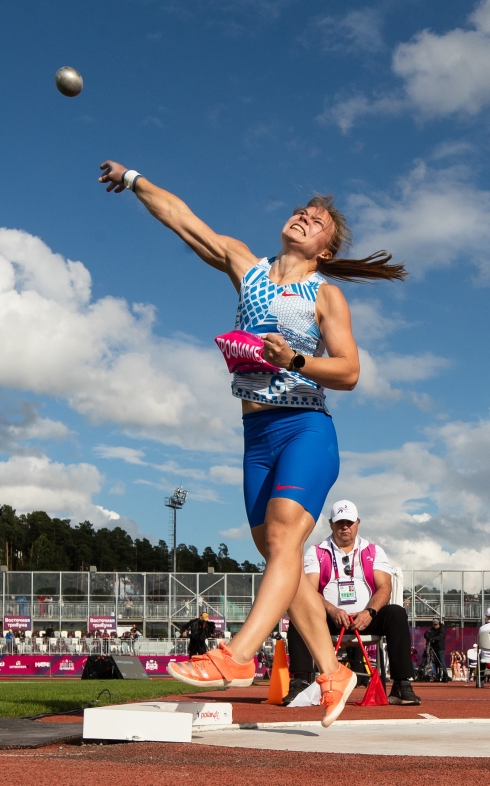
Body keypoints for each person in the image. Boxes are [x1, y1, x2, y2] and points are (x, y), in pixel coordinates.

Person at [100, 160, 405, 727]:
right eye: (301, 212)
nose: (303, 218)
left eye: (316, 222)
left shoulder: (325, 294)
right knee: (279, 561)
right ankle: (335, 673)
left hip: (306, 427)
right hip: (256, 436)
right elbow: (184, 221)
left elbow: (350, 370)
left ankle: (238, 658)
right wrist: (136, 180)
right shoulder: (248, 266)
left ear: (326, 251)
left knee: (288, 535)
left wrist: (294, 358)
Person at [282, 501, 420, 706]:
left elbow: (385, 587)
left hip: (365, 618)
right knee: (300, 613)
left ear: (357, 523)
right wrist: (331, 609)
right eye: (339, 522)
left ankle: (401, 685)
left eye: (349, 522)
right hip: (328, 618)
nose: (344, 526)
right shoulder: (317, 551)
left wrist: (370, 612)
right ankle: (300, 682)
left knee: (396, 613)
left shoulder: (373, 551)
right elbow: (309, 590)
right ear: (331, 524)